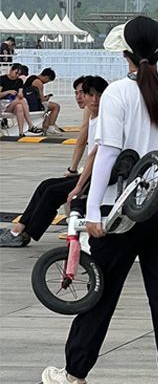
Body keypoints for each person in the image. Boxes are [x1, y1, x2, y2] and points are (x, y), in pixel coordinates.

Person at [43, 16, 158, 384]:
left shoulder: (117, 94)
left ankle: (74, 378)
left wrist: (93, 209)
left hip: (124, 209)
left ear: (125, 52)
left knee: (101, 290)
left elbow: (108, 152)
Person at [0, 76, 108, 248]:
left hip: (98, 176)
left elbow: (94, 154)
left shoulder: (105, 119)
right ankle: (18, 230)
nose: (84, 98)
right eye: (81, 94)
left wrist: (78, 182)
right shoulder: (93, 116)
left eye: (86, 93)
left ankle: (23, 234)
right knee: (45, 185)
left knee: (52, 192)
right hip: (91, 173)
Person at [0, 62, 38, 136]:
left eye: (19, 74)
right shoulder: (2, 79)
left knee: (19, 107)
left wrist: (20, 94)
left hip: (13, 103)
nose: (17, 75)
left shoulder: (19, 81)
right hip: (3, 105)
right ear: (11, 70)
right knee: (22, 101)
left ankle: (21, 132)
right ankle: (31, 125)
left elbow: (20, 92)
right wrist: (8, 92)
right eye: (16, 73)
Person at [24, 67, 62, 134]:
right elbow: (43, 101)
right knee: (56, 106)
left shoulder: (31, 78)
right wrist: (46, 99)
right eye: (48, 81)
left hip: (27, 102)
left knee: (47, 112)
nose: (46, 82)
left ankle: (46, 129)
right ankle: (50, 127)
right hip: (33, 105)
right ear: (46, 77)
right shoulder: (39, 83)